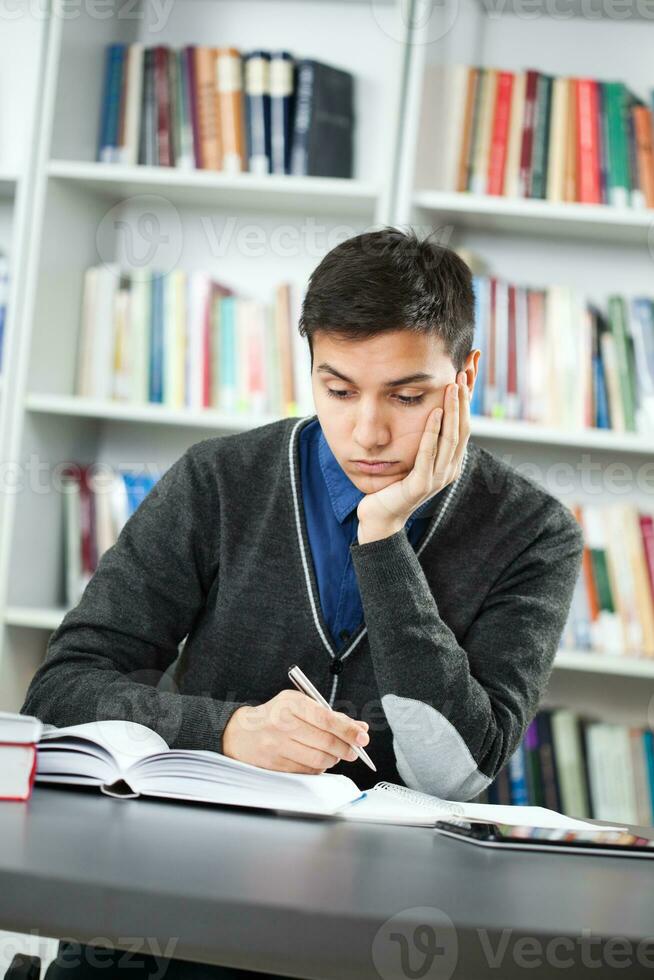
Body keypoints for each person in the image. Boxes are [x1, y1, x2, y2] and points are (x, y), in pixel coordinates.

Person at [23, 227, 584, 978]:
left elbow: (455, 771)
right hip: (172, 899)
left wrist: (383, 539)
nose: (369, 431)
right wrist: (228, 731)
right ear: (311, 368)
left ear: (466, 374)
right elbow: (61, 691)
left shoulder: (532, 533)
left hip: (387, 927)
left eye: (408, 395)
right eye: (338, 390)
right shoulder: (220, 481)